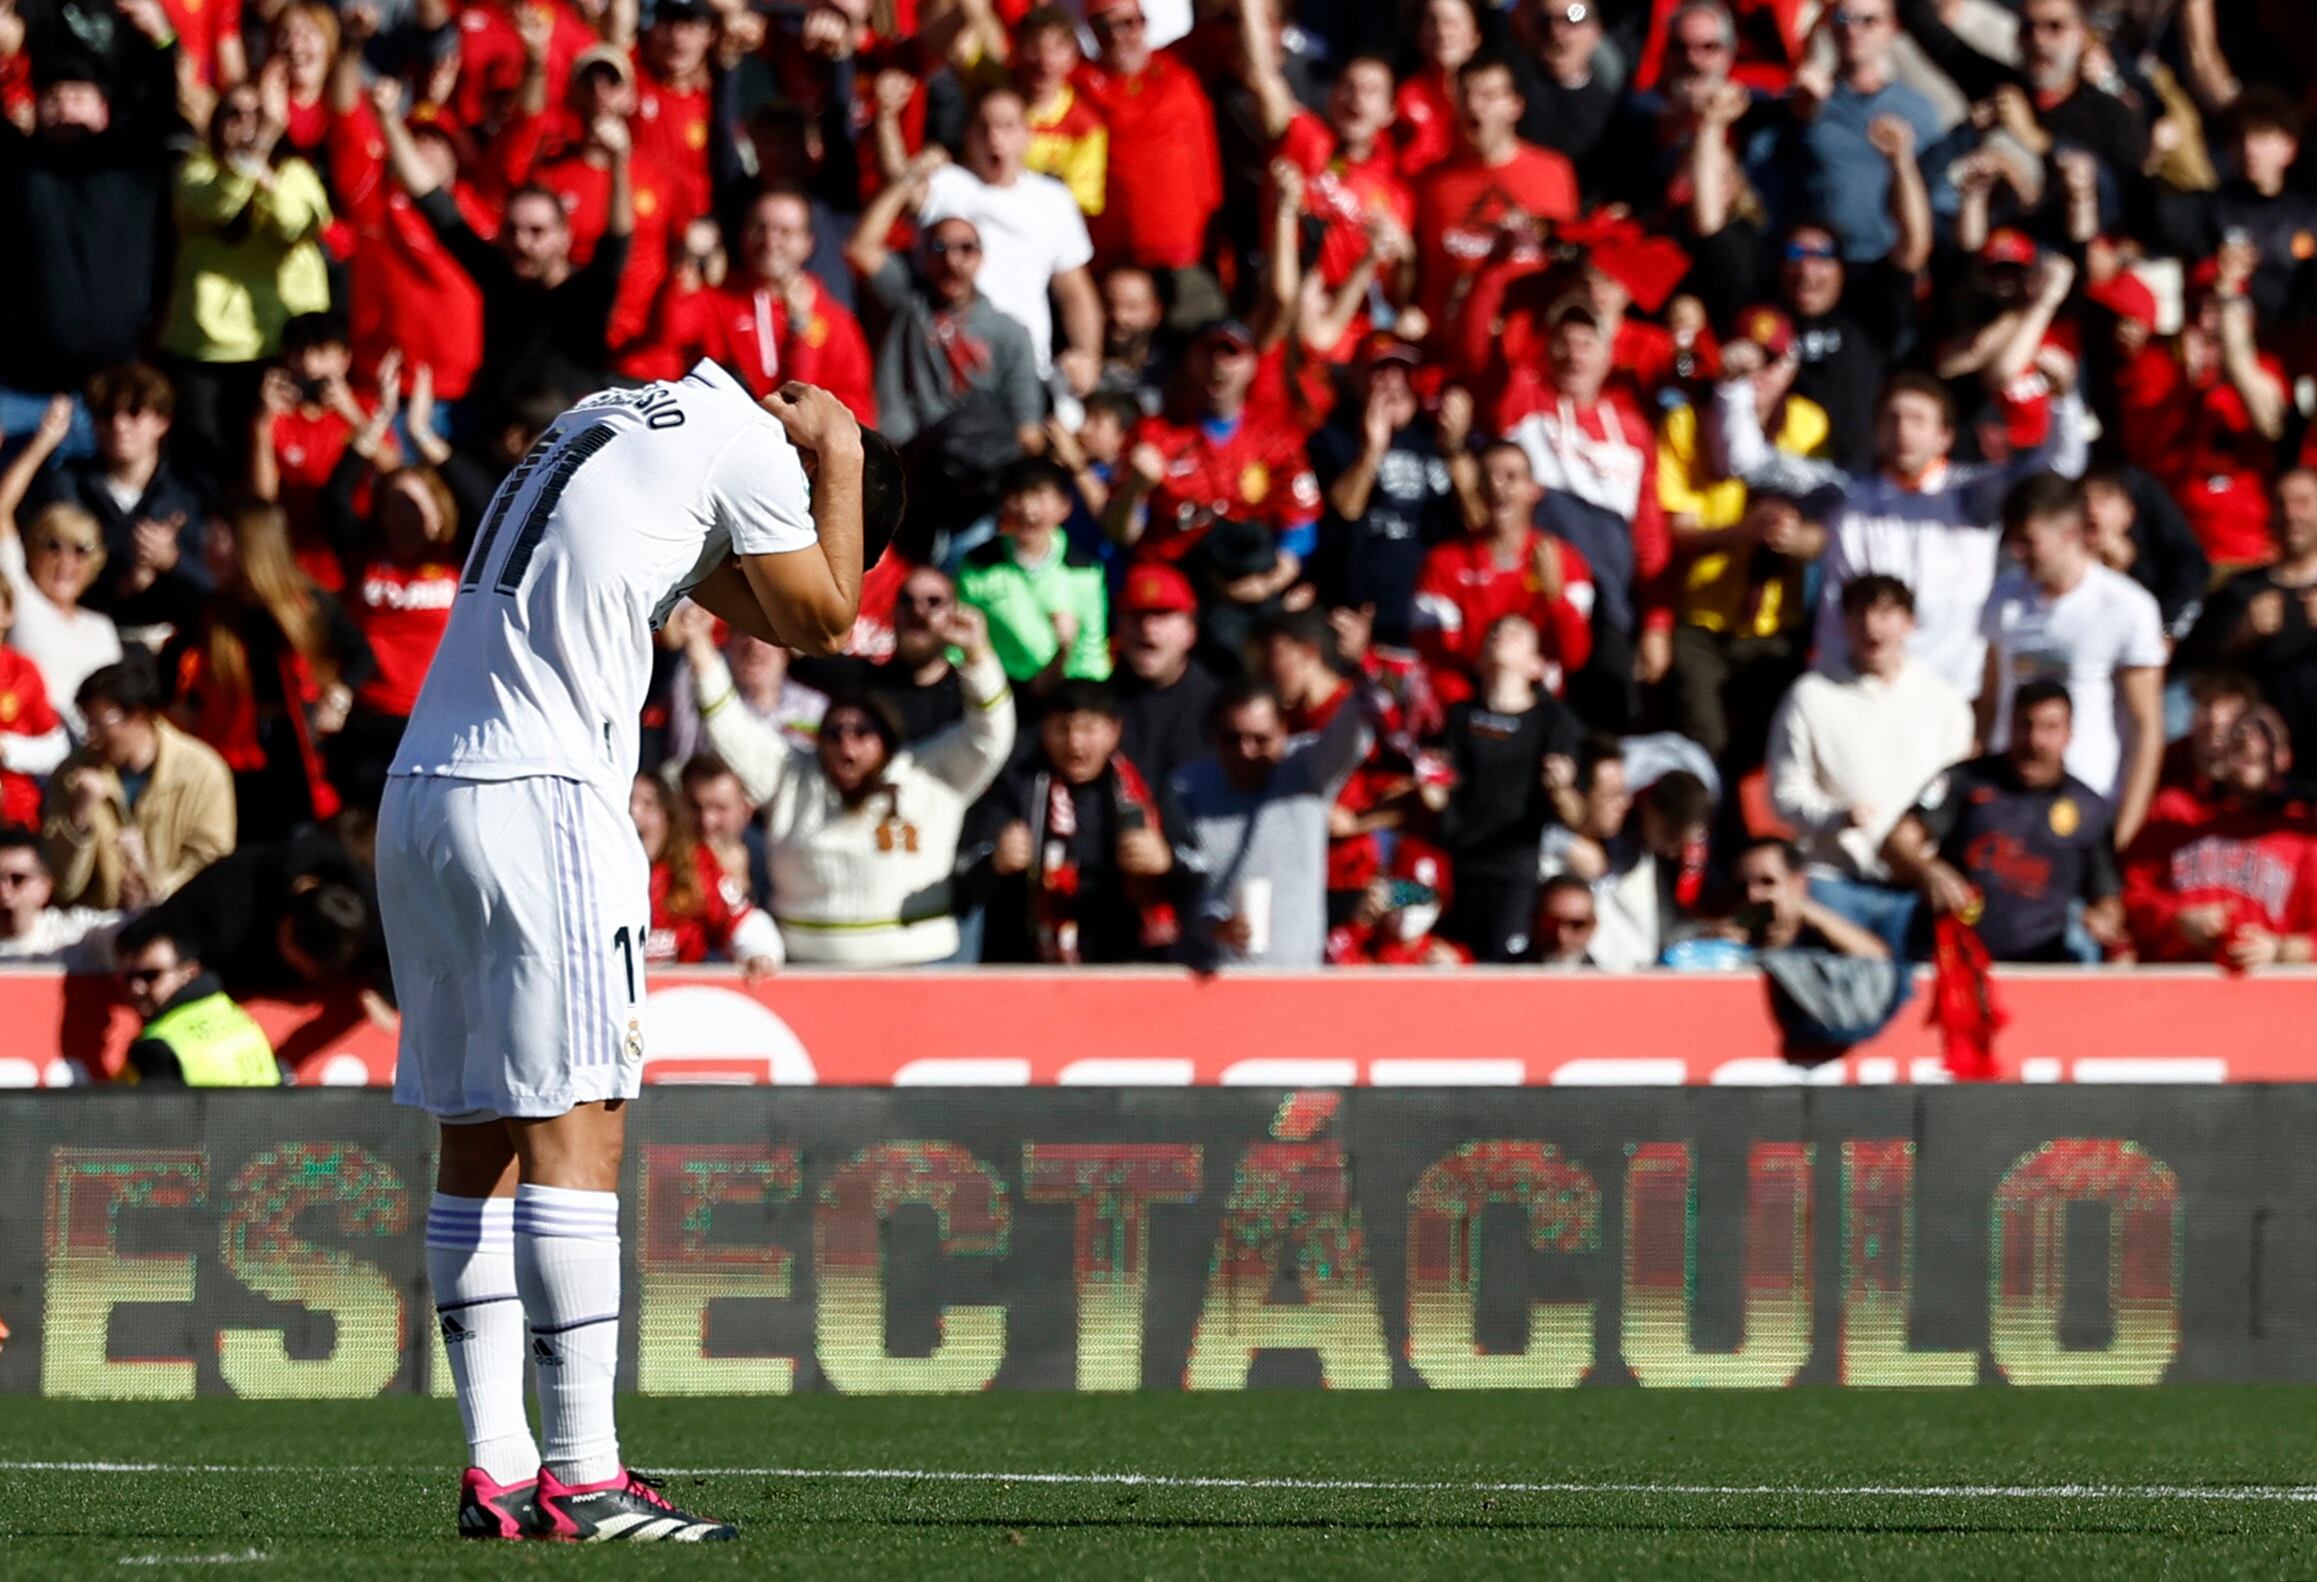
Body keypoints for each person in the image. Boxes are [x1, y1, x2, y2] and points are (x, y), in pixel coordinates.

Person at [375, 364, 907, 1543]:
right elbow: (822, 620)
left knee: (477, 1140)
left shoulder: (614, 415)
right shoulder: (763, 451)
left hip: (423, 789)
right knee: (581, 1124)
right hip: (542, 794)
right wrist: (847, 464)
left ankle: (501, 1474)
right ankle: (585, 1472)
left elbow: (753, 598)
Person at [1718, 359, 2089, 699]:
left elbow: (2059, 470)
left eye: (1917, 420)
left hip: (1949, 693)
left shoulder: (1976, 497)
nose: (1903, 431)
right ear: (1877, 431)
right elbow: (1747, 461)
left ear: (1944, 436)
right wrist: (1734, 388)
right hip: (1849, 689)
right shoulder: (1842, 493)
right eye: (1892, 419)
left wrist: (2064, 398)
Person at [707, 605, 1014, 966]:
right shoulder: (791, 774)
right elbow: (728, 725)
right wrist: (700, 653)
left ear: (885, 739)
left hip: (923, 970)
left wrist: (978, 656)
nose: (846, 746)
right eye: (834, 733)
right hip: (811, 974)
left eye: (862, 733)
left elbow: (990, 735)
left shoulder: (930, 772)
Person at [1766, 574, 1971, 928]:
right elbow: (1784, 793)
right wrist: (1836, 817)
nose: (1871, 627)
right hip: (1835, 884)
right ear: (1844, 623)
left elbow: (1956, 797)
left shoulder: (1945, 702)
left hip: (1916, 889)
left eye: (1885, 614)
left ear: (1909, 623)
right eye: (1860, 614)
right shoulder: (1809, 696)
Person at [163, 503, 376, 839]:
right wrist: (182, 707)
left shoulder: (309, 603)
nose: (206, 547)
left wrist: (339, 695)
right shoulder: (212, 612)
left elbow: (362, 656)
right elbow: (170, 666)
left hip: (303, 748)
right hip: (237, 750)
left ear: (248, 544)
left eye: (217, 537)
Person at [1978, 473, 2167, 848]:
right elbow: (1988, 706)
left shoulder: (2126, 606)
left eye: (2029, 541)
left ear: (2069, 533)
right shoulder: (2005, 597)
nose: (2018, 552)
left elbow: (2147, 728)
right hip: (2010, 799)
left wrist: (2125, 831)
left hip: (2086, 801)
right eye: (2013, 540)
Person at [1881, 680, 2127, 963]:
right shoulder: (1965, 780)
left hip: (2042, 970)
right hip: (1953, 960)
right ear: (2009, 725)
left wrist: (2102, 920)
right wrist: (1928, 870)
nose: (2035, 740)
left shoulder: (2090, 809)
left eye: (2050, 728)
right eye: (2026, 725)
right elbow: (1895, 842)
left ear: (2069, 734)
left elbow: (2107, 898)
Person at [975, 679, 1181, 963]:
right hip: (1030, 963)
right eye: (1062, 729)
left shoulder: (1146, 789)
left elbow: (1198, 872)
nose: (1075, 743)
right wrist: (995, 862)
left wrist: (1167, 862)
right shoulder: (1015, 788)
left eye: (1088, 729)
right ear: (1044, 731)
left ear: (1113, 731)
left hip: (1125, 962)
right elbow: (964, 881)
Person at [1170, 680, 1372, 970]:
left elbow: (1350, 737)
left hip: (1294, 975)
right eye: (1232, 739)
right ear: (1213, 736)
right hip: (1210, 977)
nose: (1246, 751)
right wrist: (1215, 925)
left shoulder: (1306, 768)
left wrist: (1368, 683)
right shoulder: (1186, 787)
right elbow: (1184, 887)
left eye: (1261, 739)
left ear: (1284, 732)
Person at [917, 85, 1101, 392]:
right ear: (968, 133)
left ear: (1027, 135)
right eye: (984, 126)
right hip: (952, 365)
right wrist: (914, 170)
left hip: (1028, 367)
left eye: (1007, 126)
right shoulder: (945, 185)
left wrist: (1088, 356)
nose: (994, 138)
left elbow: (1075, 291)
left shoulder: (1053, 200)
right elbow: (893, 195)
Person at [2122, 704, 2317, 969]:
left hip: (2270, 991)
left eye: (2266, 739)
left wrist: (2278, 949)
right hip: (2179, 981)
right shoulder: (2176, 813)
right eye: (2239, 738)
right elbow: (2135, 897)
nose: (2251, 743)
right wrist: (2177, 922)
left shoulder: (2302, 832)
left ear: (2285, 756)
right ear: (2222, 752)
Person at [1436, 614, 1582, 961]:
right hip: (1457, 865)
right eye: (1494, 632)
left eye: (1516, 633)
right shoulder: (1459, 716)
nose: (1501, 635)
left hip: (1513, 870)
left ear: (1536, 665)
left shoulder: (1553, 721)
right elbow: (1441, 789)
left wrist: (1561, 789)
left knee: (1499, 969)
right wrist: (1433, 793)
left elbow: (1576, 813)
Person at [43, 655, 238, 912]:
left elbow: (211, 862)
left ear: (137, 716)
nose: (92, 737)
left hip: (174, 919)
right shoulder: (71, 774)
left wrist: (155, 888)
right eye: (86, 723)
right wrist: (77, 821)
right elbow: (62, 886)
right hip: (92, 927)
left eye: (100, 724)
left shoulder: (202, 772)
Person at [2181, 470, 2317, 775]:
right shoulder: (2242, 590)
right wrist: (2241, 635)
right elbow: (2198, 671)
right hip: (2255, 764)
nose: (2291, 513)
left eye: (2303, 502)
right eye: (2281, 504)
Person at [954, 456, 1112, 690]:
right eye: (1017, 496)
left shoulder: (1084, 570)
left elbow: (1091, 656)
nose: (1028, 509)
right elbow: (957, 648)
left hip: (1066, 693)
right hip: (996, 689)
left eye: (1039, 496)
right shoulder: (979, 565)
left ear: (1065, 506)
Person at [1541, 762, 1714, 969]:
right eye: (1671, 837)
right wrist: (1567, 844)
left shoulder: (1645, 856)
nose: (1673, 851)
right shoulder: (1562, 847)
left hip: (1631, 971)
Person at [785, 565, 970, 744]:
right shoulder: (862, 681)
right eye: (907, 600)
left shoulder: (968, 698)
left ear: (955, 614)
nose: (918, 610)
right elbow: (792, 641)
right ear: (894, 612)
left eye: (934, 601)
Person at [626, 771, 780, 976]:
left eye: (648, 804)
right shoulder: (593, 875)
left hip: (684, 995)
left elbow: (745, 923)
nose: (635, 814)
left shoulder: (697, 866)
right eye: (625, 804)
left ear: (668, 815)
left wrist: (759, 955)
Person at [113, 919, 281, 1087]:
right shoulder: (231, 1011)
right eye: (127, 978)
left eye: (150, 975)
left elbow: (150, 1112)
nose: (136, 988)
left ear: (189, 972)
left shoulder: (156, 1048)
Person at [1111, 560, 1221, 788]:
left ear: (1191, 630)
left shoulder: (1220, 706)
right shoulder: (1099, 703)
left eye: (1162, 614)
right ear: (1119, 627)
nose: (1148, 627)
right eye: (1136, 614)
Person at [0, 829, 118, 968]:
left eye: (17, 879)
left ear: (45, 887)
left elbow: (130, 930)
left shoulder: (77, 934)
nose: (4, 891)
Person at [1531, 872, 1600, 966]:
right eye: (1550, 923)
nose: (1562, 936)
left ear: (1593, 925)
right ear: (1534, 920)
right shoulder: (1506, 972)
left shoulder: (1610, 975)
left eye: (1577, 924)